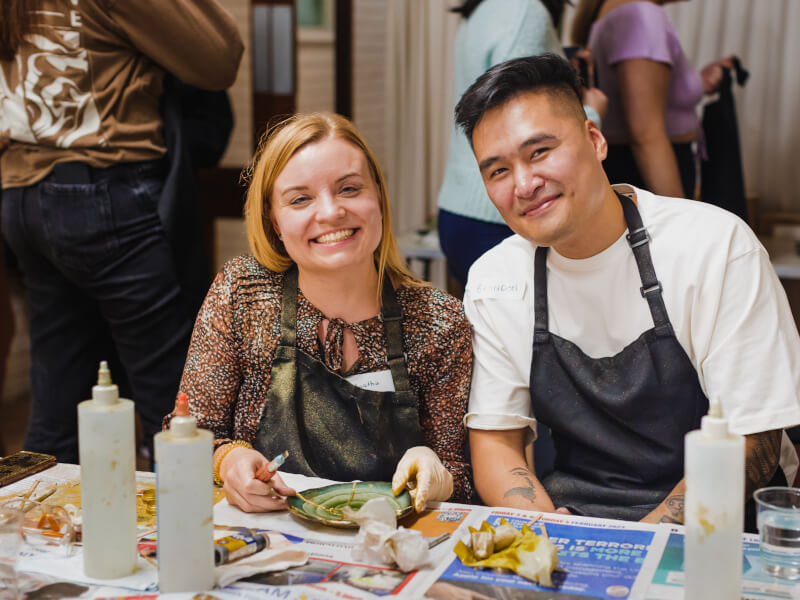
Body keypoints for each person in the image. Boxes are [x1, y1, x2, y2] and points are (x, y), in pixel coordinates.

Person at [457, 54, 800, 528]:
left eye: (539, 152)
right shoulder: (496, 277)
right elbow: (497, 439)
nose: (524, 184)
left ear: (595, 140)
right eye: (497, 171)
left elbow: (752, 440)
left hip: (723, 525)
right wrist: (546, 539)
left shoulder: (715, 246)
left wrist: (639, 547)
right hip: (577, 517)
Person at [174, 113, 473, 513]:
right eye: (300, 199)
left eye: (349, 189)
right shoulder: (242, 293)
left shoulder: (440, 321)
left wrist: (441, 476)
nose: (330, 212)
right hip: (271, 541)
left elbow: (458, 478)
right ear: (274, 221)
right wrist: (228, 460)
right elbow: (188, 433)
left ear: (378, 199)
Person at [0, 0, 243, 463]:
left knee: (57, 399)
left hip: (23, 193)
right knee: (175, 404)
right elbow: (219, 56)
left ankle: (37, 533)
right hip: (104, 191)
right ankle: (190, 532)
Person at [437, 0, 608, 287]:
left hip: (459, 211)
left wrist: (561, 59)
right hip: (499, 219)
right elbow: (517, 118)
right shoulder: (525, 10)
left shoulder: (483, 9)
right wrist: (593, 113)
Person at [572, 0, 733, 199]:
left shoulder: (614, 12)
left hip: (628, 170)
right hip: (646, 177)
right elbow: (645, 135)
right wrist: (679, 220)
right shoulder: (641, 15)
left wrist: (696, 83)